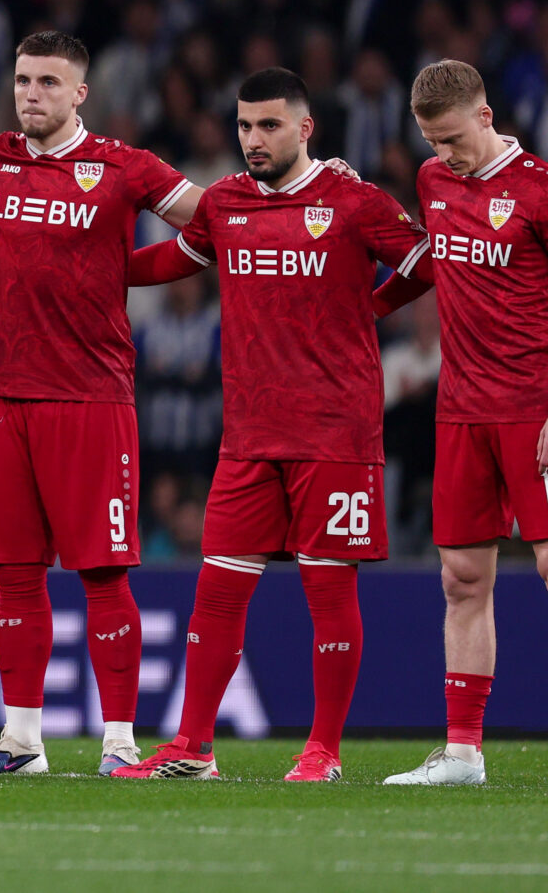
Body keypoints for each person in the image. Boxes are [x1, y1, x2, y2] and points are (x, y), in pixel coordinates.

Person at [112, 68, 429, 781]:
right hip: (250, 435)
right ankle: (192, 747)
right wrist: (91, 268)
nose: (253, 139)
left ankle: (323, 751)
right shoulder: (225, 203)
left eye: (269, 125)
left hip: (335, 432)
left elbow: (426, 263)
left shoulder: (354, 201)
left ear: (305, 128)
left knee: (329, 594)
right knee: (217, 592)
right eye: (244, 125)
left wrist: (374, 307)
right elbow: (172, 261)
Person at [0, 30, 202, 776]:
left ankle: (120, 743)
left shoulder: (124, 167)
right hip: (9, 397)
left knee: (103, 575)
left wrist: (131, 269)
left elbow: (216, 221)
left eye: (49, 82)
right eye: (24, 80)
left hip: (92, 398)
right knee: (14, 573)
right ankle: (21, 741)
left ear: (81, 93)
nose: (31, 94)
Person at [379, 59, 548, 790]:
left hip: (535, 410)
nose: (444, 153)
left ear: (485, 115)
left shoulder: (547, 191)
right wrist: (366, 309)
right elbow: (434, 267)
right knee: (462, 580)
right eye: (431, 140)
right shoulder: (433, 181)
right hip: (460, 412)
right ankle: (463, 754)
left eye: (453, 137)